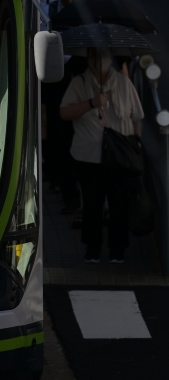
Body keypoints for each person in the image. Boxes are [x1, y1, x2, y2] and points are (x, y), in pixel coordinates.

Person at [59, 47, 143, 262]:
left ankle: (118, 249)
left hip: (119, 156)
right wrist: (91, 103)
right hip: (88, 156)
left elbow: (136, 117)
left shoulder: (124, 84)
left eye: (103, 55)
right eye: (95, 55)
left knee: (119, 204)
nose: (99, 60)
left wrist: (135, 144)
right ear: (88, 58)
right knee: (92, 204)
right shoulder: (79, 82)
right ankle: (92, 248)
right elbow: (64, 112)